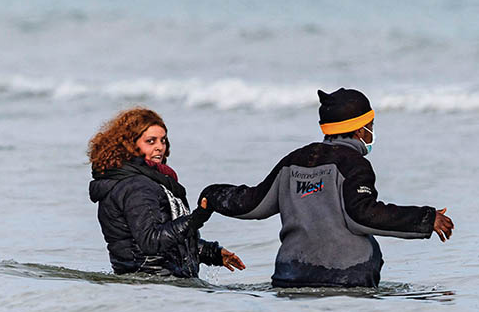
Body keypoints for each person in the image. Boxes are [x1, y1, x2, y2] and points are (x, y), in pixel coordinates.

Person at [199, 88, 454, 288]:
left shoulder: (293, 161)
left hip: (290, 276)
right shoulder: (354, 164)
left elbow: (251, 203)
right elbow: (362, 215)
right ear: (360, 129)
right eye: (371, 126)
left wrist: (211, 195)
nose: (372, 133)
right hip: (347, 279)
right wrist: (426, 218)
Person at [88, 107, 245, 278]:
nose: (160, 147)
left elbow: (168, 242)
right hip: (151, 285)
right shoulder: (136, 187)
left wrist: (211, 252)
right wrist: (198, 217)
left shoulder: (147, 181)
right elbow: (151, 241)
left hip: (154, 284)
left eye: (163, 140)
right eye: (151, 141)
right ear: (130, 145)